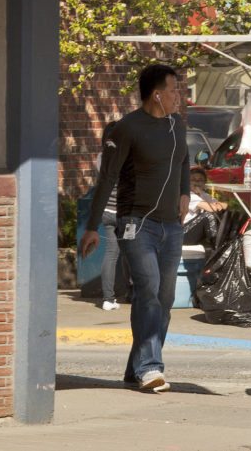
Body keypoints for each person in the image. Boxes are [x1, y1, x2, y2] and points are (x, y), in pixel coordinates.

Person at [79, 63, 190, 393]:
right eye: (173, 90)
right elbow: (107, 178)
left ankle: (135, 368)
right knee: (148, 290)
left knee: (165, 299)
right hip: (135, 225)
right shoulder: (127, 129)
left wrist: (184, 191)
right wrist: (91, 227)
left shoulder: (177, 125)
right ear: (157, 94)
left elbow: (183, 160)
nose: (178, 97)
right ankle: (150, 367)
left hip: (171, 226)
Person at [181, 167, 228, 297]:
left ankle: (221, 244)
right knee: (208, 215)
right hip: (183, 233)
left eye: (201, 180)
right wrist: (215, 206)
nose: (198, 183)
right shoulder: (189, 195)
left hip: (195, 234)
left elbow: (224, 205)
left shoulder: (203, 195)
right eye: (194, 180)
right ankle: (216, 248)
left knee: (220, 215)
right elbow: (210, 208)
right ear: (188, 182)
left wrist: (217, 206)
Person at [96, 121, 122, 311]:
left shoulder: (101, 157)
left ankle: (108, 298)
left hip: (107, 212)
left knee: (112, 254)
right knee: (134, 253)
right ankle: (135, 293)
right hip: (125, 214)